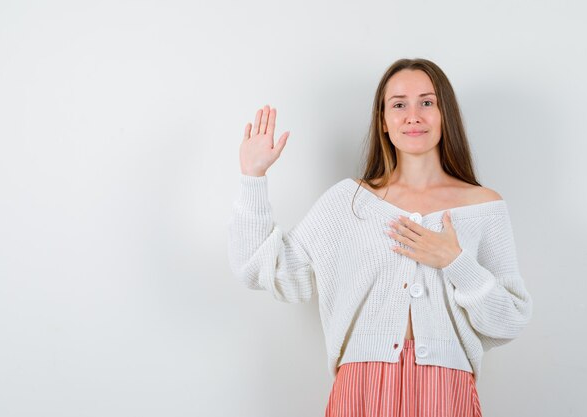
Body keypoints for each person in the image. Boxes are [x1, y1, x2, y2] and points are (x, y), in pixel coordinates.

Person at [227, 58, 532, 417]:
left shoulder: (484, 206)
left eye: (427, 102)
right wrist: (253, 177)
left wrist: (456, 262)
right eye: (399, 104)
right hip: (361, 389)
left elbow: (509, 320)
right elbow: (263, 269)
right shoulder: (348, 202)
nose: (413, 115)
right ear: (383, 121)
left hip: (446, 389)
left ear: (445, 114)